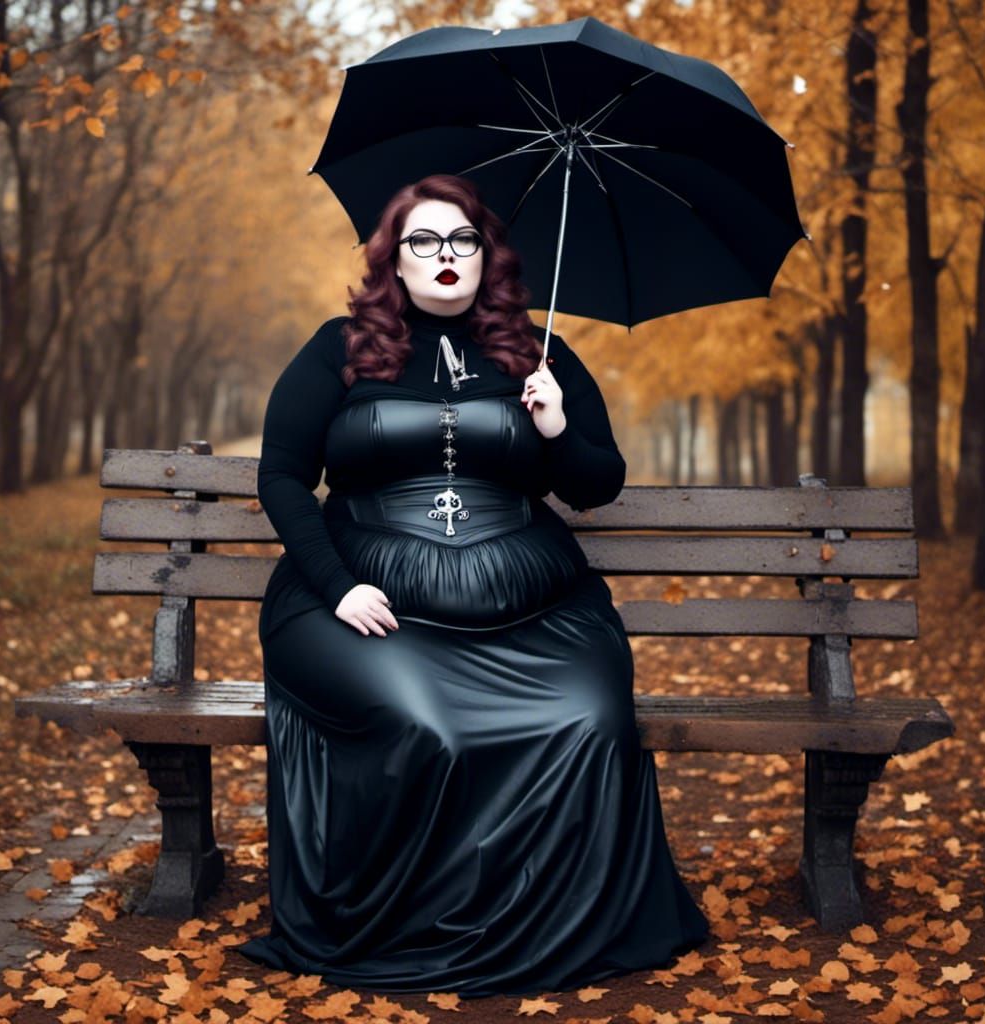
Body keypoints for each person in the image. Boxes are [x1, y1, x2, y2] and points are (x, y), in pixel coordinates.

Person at [236, 173, 709, 997]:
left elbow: (598, 485)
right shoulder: (339, 348)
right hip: (361, 600)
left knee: (591, 719)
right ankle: (417, 924)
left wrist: (557, 427)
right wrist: (338, 586)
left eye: (463, 240)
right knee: (428, 727)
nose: (445, 257)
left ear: (489, 256)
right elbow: (282, 477)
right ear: (395, 258)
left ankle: (551, 921)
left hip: (536, 610)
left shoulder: (539, 350)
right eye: (425, 241)